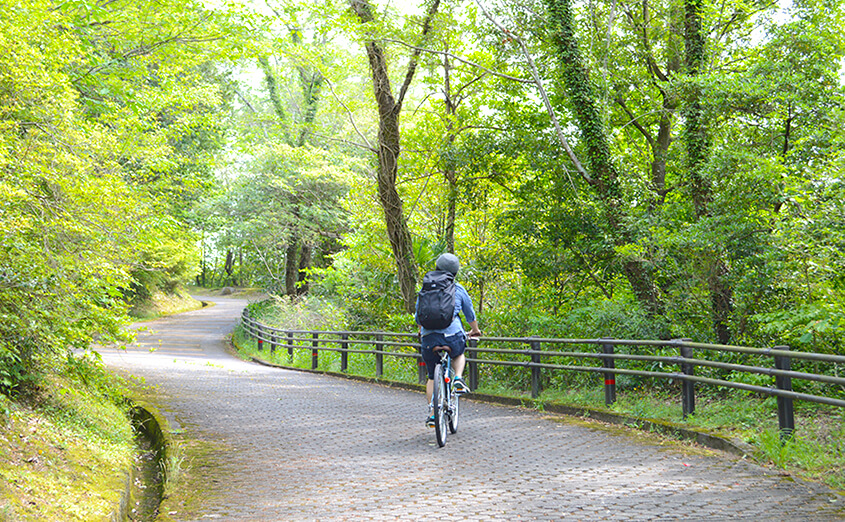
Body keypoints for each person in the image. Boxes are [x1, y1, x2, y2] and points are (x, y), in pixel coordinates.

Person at [415, 253, 482, 427]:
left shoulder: (425, 289)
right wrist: (475, 330)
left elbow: (418, 317)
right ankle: (458, 378)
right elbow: (470, 314)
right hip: (453, 336)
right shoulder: (457, 289)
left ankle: (432, 413)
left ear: (437, 267)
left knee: (431, 377)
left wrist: (423, 330)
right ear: (455, 272)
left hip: (429, 338)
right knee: (459, 353)